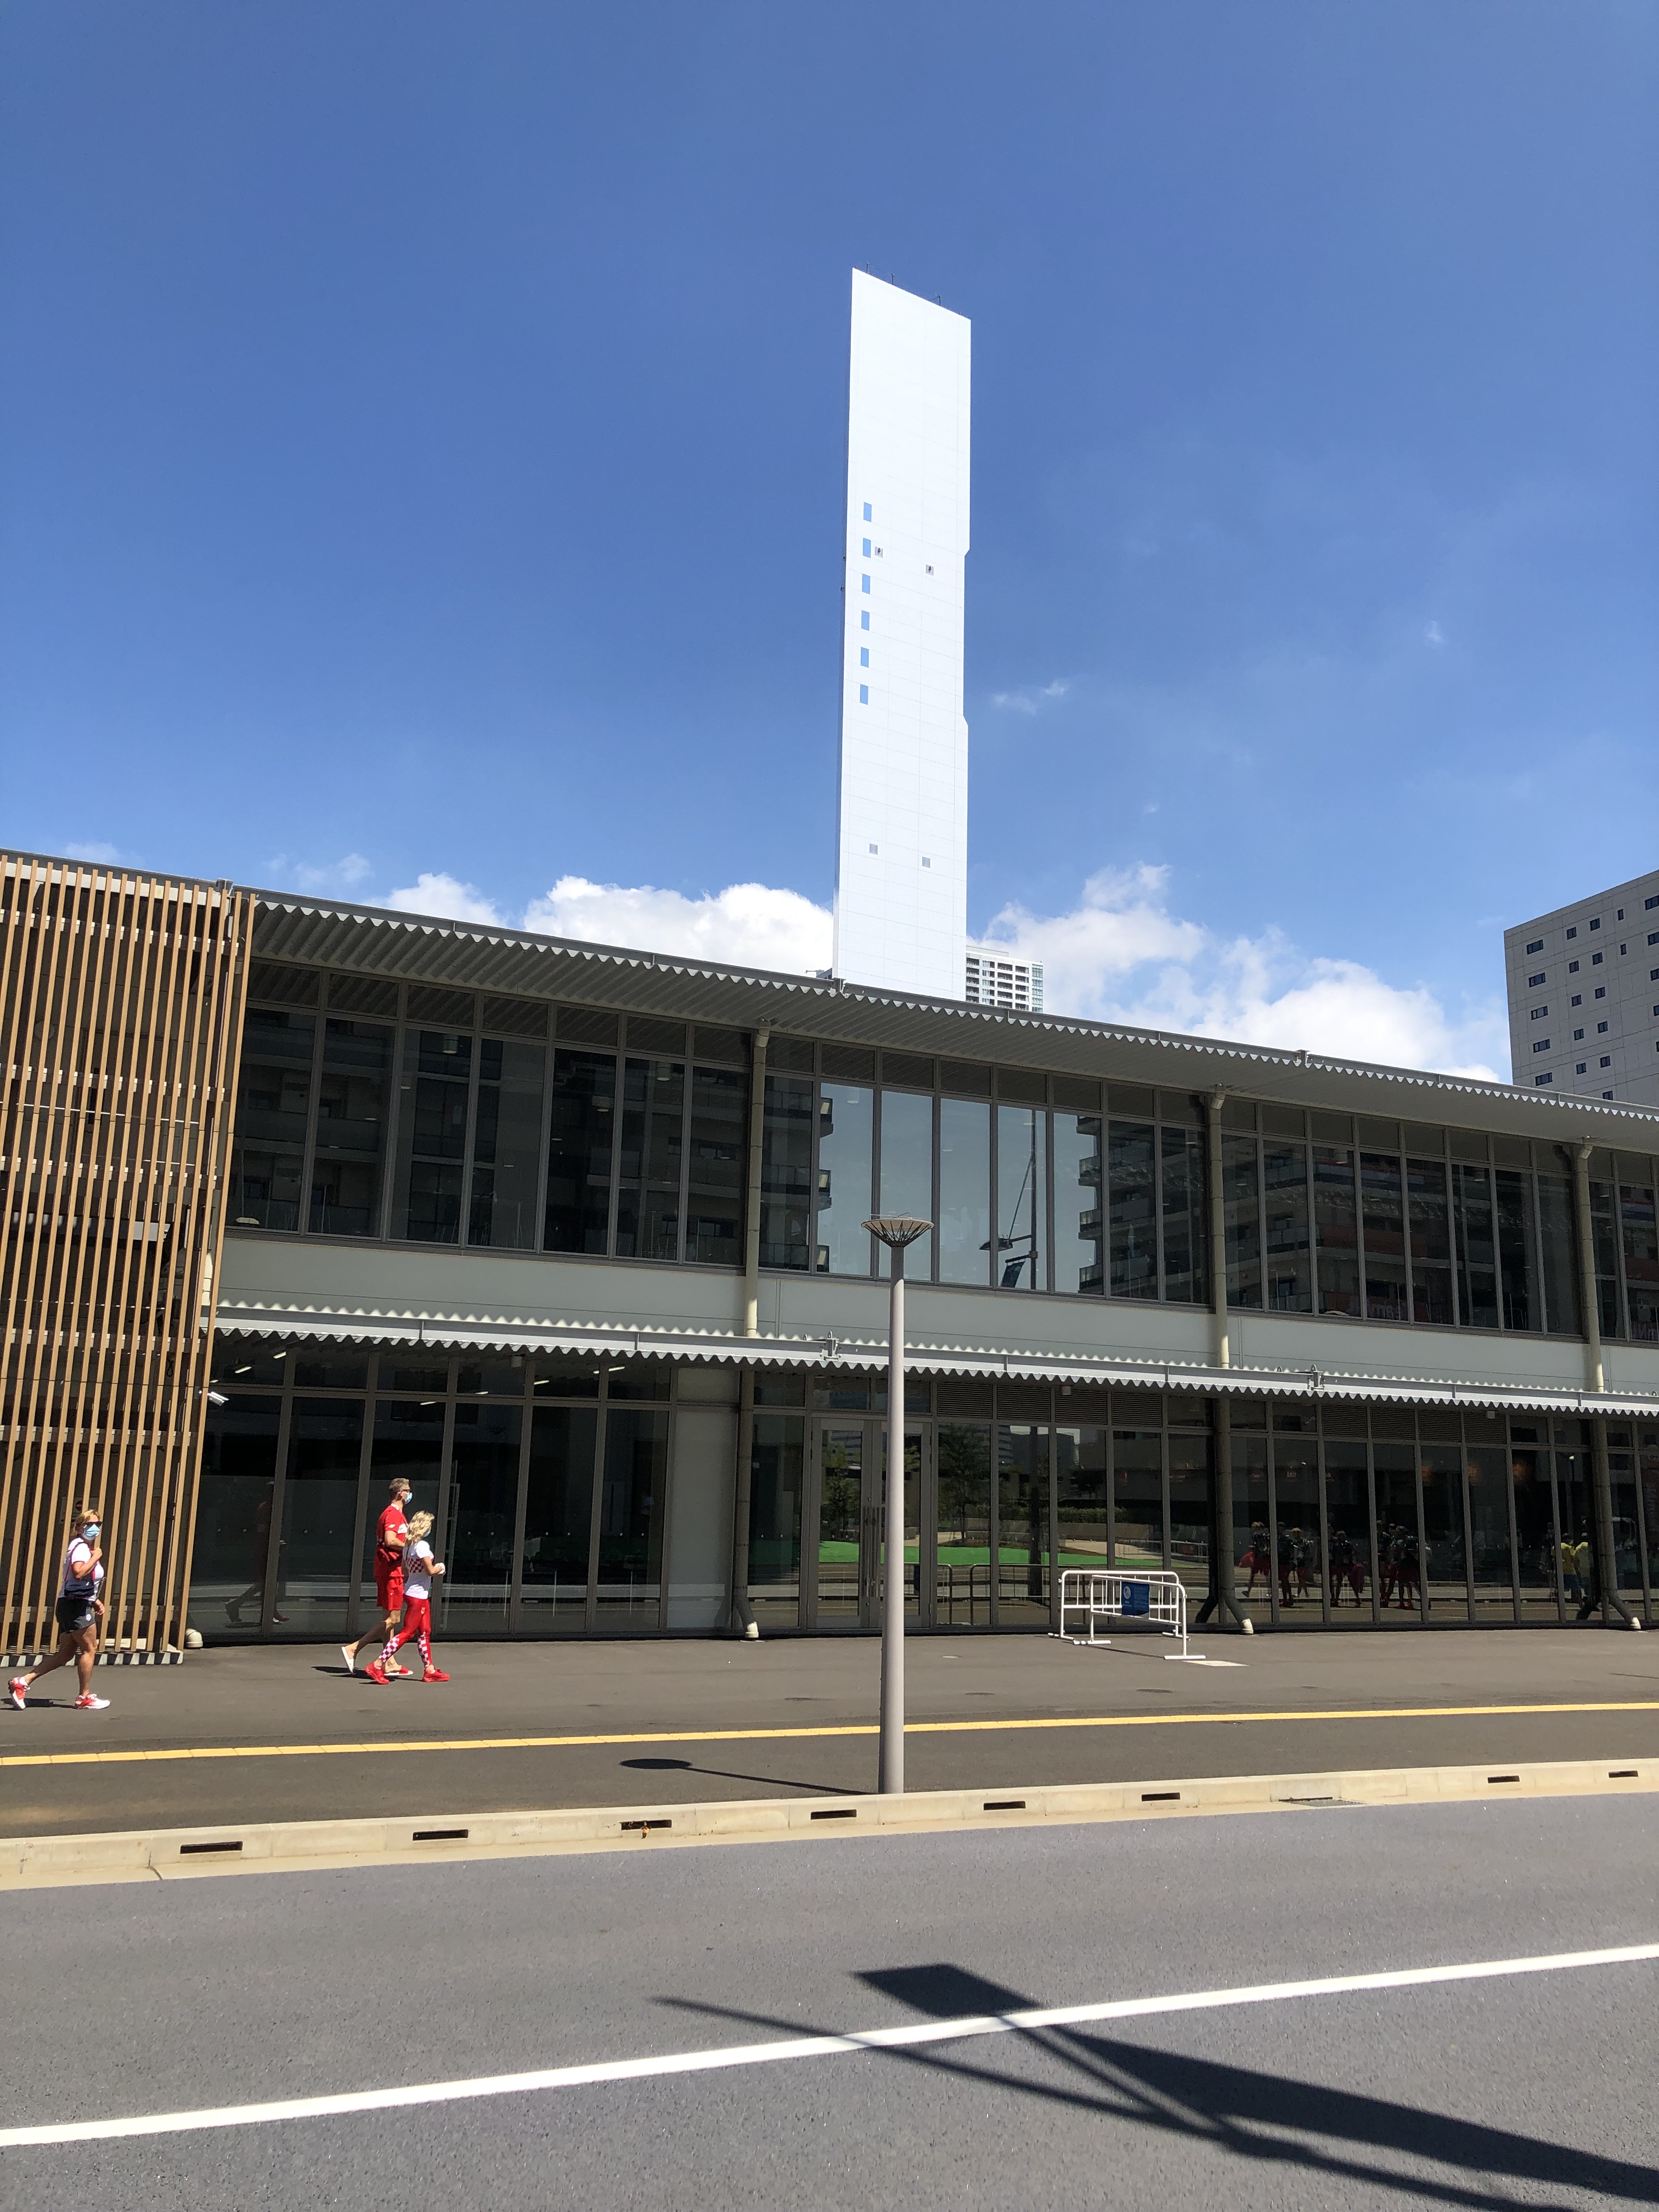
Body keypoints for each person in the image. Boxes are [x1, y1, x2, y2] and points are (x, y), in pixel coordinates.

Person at [10, 1507, 111, 1711]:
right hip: (76, 1607)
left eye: (98, 1524)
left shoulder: (80, 1547)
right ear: (79, 1527)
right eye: (89, 1524)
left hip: (71, 1604)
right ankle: (84, 1697)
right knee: (89, 1649)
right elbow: (79, 1573)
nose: (94, 1528)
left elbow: (77, 1582)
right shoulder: (82, 1548)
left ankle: (22, 1682)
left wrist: (94, 1600)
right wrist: (97, 1556)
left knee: (66, 1653)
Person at [342, 1478, 415, 1676]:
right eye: (408, 1490)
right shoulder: (393, 1514)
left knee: (388, 1618)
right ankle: (354, 1648)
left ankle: (389, 1662)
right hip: (391, 1572)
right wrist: (411, 1547)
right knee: (394, 1619)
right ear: (400, 1493)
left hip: (390, 1570)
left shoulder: (396, 1514)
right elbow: (391, 1540)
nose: (410, 1494)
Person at [366, 1512, 448, 1684]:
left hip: (413, 1592)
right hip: (419, 1596)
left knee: (425, 1632)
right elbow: (430, 1571)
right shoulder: (422, 1546)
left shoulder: (408, 1546)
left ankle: (430, 1669)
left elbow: (405, 1569)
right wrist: (440, 1567)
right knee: (407, 1633)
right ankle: (378, 1664)